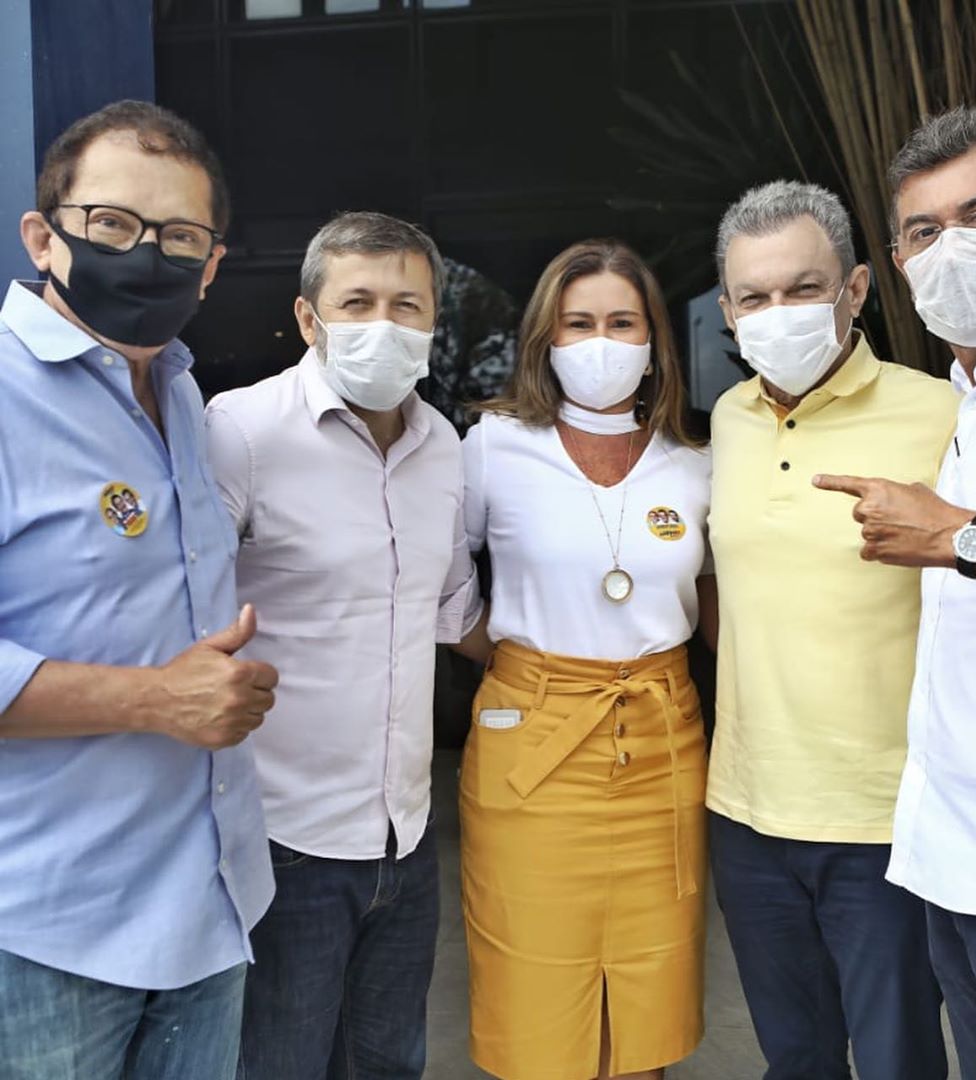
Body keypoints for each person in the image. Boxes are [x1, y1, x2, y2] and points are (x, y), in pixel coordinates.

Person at [0, 101, 277, 1080]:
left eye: (179, 237)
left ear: (211, 265)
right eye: (112, 225)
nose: (145, 256)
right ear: (44, 237)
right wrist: (156, 699)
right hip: (47, 933)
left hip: (208, 901)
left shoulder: (183, 393)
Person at [815, 103, 976, 1079]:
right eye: (925, 232)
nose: (952, 247)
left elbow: (969, 544)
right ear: (899, 262)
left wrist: (962, 538)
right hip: (966, 864)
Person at [206, 211, 488, 1080]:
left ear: (434, 320)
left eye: (407, 305)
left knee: (387, 1063)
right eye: (357, 303)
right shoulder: (241, 432)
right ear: (308, 318)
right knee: (280, 1064)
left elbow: (453, 611)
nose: (383, 325)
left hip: (406, 835)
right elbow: (180, 614)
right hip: (284, 840)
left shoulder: (443, 447)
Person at [708, 180, 956, 1080]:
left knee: (898, 1060)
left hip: (883, 816)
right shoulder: (727, 422)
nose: (778, 312)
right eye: (755, 296)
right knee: (794, 1059)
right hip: (746, 811)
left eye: (803, 288)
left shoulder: (942, 412)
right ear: (728, 313)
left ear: (855, 289)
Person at [460, 238, 715, 1080]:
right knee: (536, 996)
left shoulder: (696, 462)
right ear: (546, 338)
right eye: (577, 323)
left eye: (620, 322)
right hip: (532, 748)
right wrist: (528, 669)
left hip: (662, 746)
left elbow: (717, 597)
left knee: (648, 998)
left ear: (653, 340)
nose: (599, 342)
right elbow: (439, 581)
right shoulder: (493, 446)